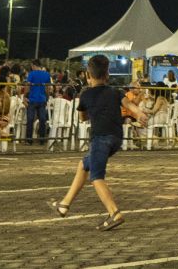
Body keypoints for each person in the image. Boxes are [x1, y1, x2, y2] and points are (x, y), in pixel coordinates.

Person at [48, 54, 139, 230]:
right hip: (116, 139)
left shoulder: (86, 95)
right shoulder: (115, 92)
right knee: (83, 165)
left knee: (96, 176)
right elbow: (129, 105)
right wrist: (140, 114)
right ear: (107, 75)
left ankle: (114, 213)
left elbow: (82, 117)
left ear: (88, 76)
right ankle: (64, 205)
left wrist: (93, 111)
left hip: (100, 139)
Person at [25, 60, 51, 146]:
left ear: (33, 65)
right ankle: (42, 139)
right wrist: (47, 97)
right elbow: (48, 88)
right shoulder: (46, 74)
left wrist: (26, 96)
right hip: (42, 99)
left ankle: (29, 140)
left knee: (30, 119)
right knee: (42, 120)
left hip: (32, 99)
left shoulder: (31, 74)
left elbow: (28, 85)